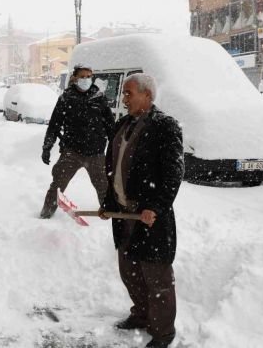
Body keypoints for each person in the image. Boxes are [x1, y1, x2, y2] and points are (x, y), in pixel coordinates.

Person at [100, 73, 184, 348]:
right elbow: (113, 166)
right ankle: (141, 314)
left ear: (147, 95)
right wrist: (109, 204)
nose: (124, 99)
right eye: (124, 94)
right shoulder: (122, 124)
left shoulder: (165, 126)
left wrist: (155, 207)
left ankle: (162, 333)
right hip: (124, 215)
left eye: (129, 93)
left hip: (149, 218)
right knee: (130, 271)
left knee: (156, 277)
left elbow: (173, 173)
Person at [40, 64, 115, 219]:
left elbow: (110, 125)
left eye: (89, 76)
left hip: (96, 153)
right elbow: (54, 124)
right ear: (75, 78)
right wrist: (47, 147)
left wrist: (115, 148)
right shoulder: (66, 98)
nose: (86, 79)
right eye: (82, 76)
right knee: (57, 185)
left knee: (104, 187)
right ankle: (45, 216)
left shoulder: (99, 97)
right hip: (71, 152)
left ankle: (110, 216)